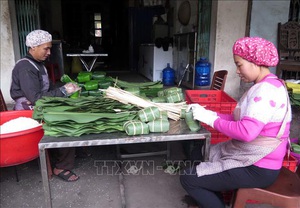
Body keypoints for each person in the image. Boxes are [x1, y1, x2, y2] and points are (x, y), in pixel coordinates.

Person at [180, 37, 292, 208]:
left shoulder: (266, 91)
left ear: (256, 61)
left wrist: (211, 119)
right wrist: (207, 113)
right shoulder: (266, 85)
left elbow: (246, 132)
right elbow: (235, 119)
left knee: (189, 179)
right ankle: (210, 196)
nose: (237, 71)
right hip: (253, 158)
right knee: (198, 153)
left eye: (239, 64)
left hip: (258, 166)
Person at [10, 29, 80, 182]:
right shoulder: (25, 67)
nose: (49, 52)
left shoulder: (38, 64)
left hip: (37, 105)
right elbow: (35, 98)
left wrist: (64, 88)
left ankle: (65, 152)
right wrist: (62, 91)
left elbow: (43, 92)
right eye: (46, 48)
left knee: (72, 110)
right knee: (66, 124)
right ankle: (61, 166)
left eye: (50, 48)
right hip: (28, 112)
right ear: (33, 47)